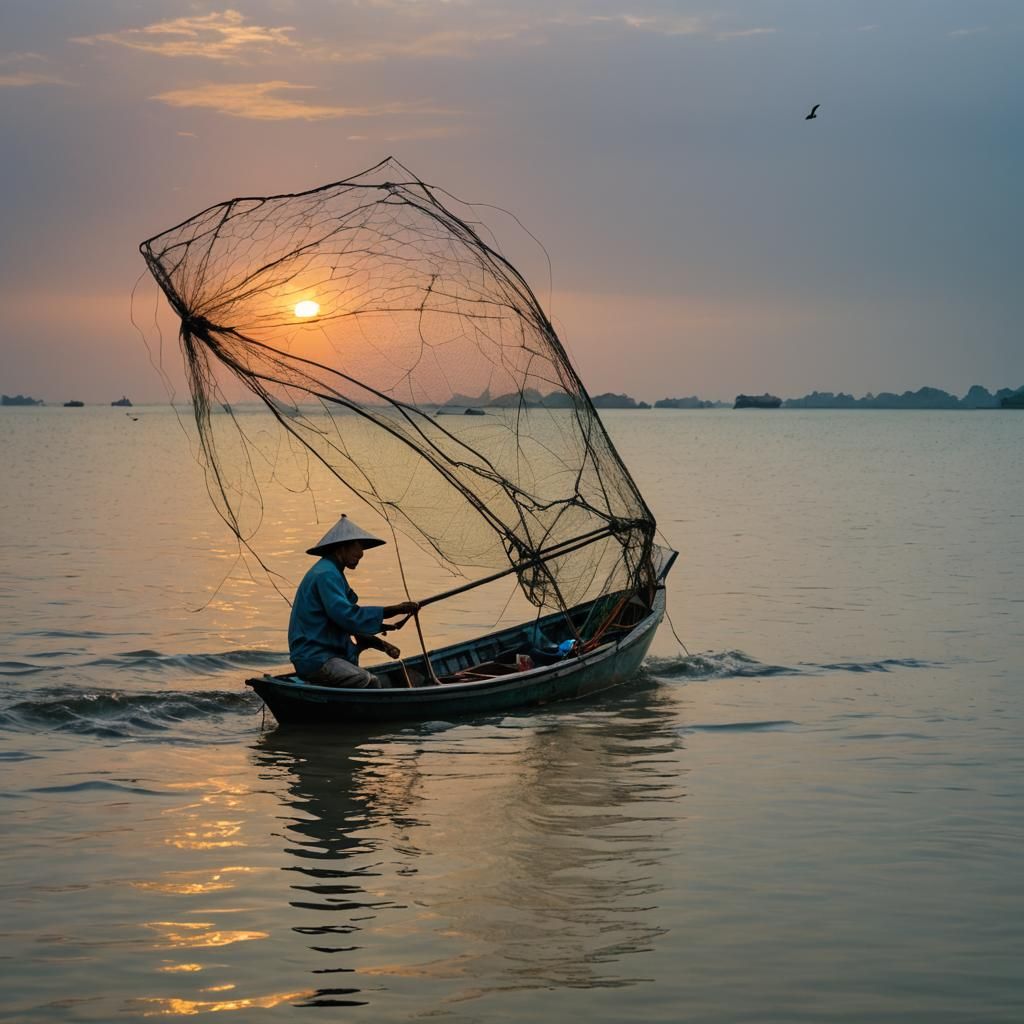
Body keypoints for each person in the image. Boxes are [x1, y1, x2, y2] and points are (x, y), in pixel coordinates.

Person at [289, 515, 419, 688]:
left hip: (323, 653)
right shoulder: (326, 574)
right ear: (342, 548)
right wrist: (396, 609)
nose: (361, 554)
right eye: (357, 549)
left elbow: (344, 622)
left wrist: (380, 639)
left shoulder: (332, 572)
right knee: (369, 681)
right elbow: (348, 616)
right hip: (316, 656)